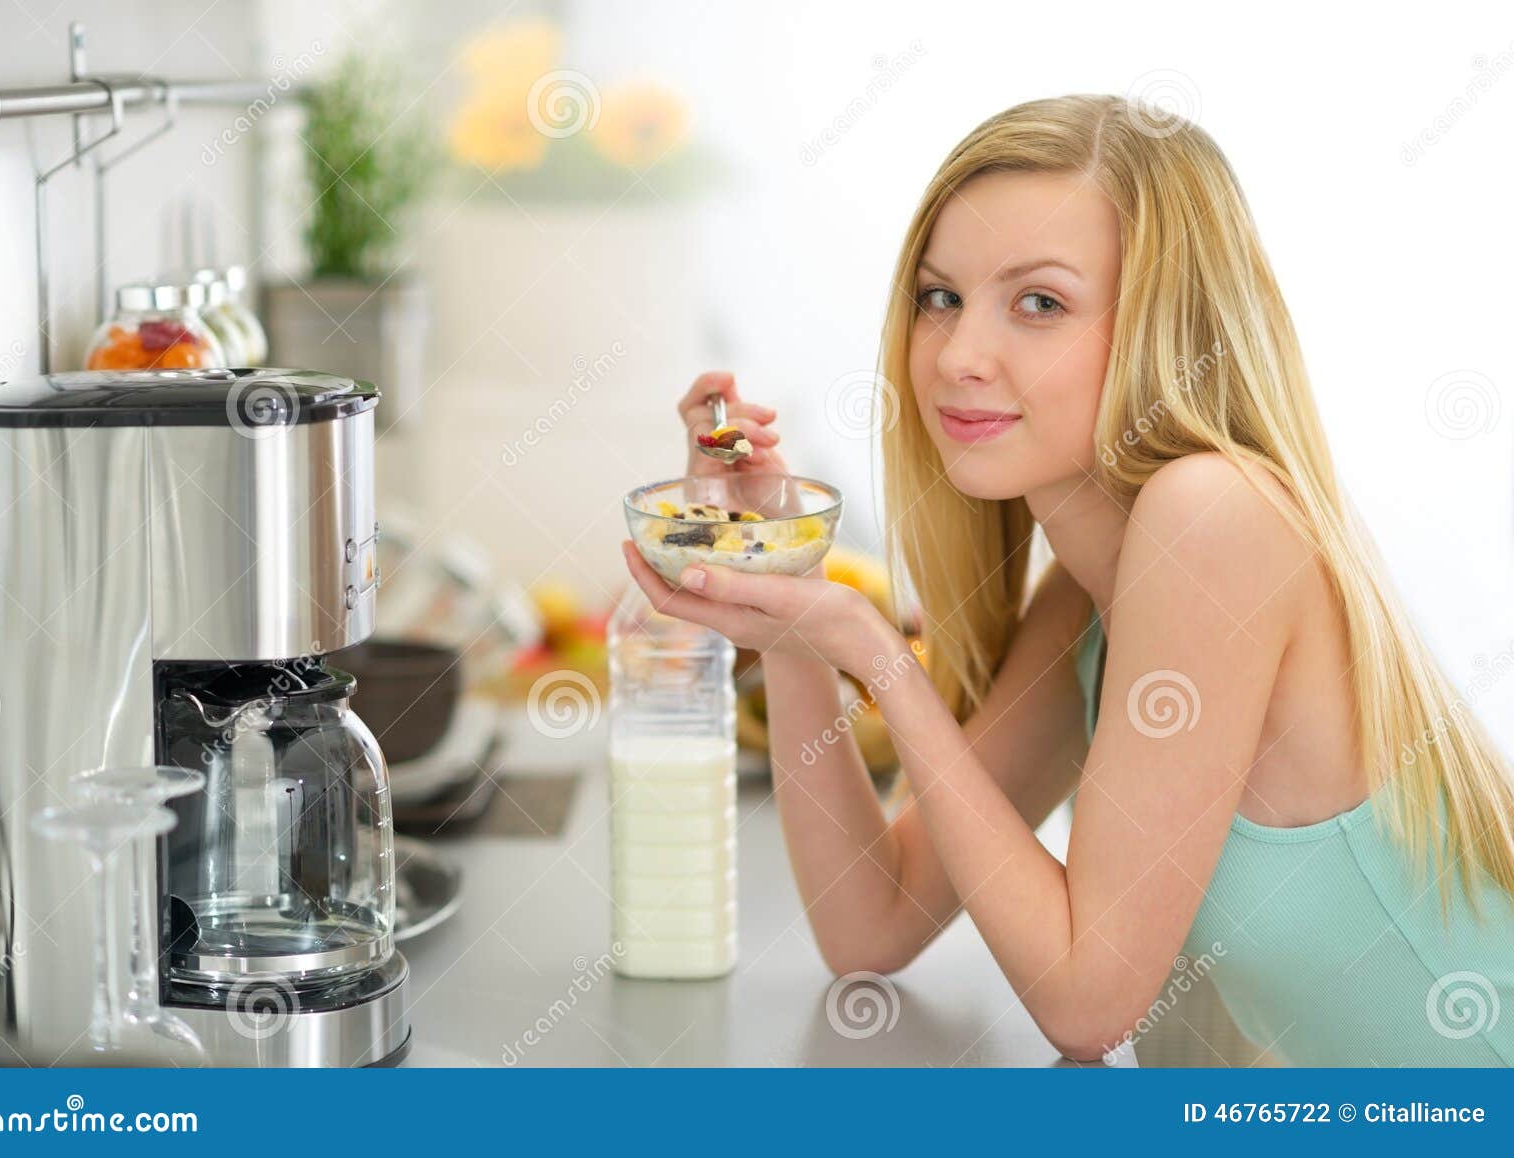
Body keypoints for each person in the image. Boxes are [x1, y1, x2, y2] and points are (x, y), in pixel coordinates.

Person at [623, 94, 1514, 1065]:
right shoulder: (1087, 602)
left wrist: (875, 655)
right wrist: (783, 582)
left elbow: (1088, 1008)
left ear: (1161, 327)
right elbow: (867, 924)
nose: (959, 356)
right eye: (939, 297)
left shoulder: (1215, 516)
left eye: (1039, 303)